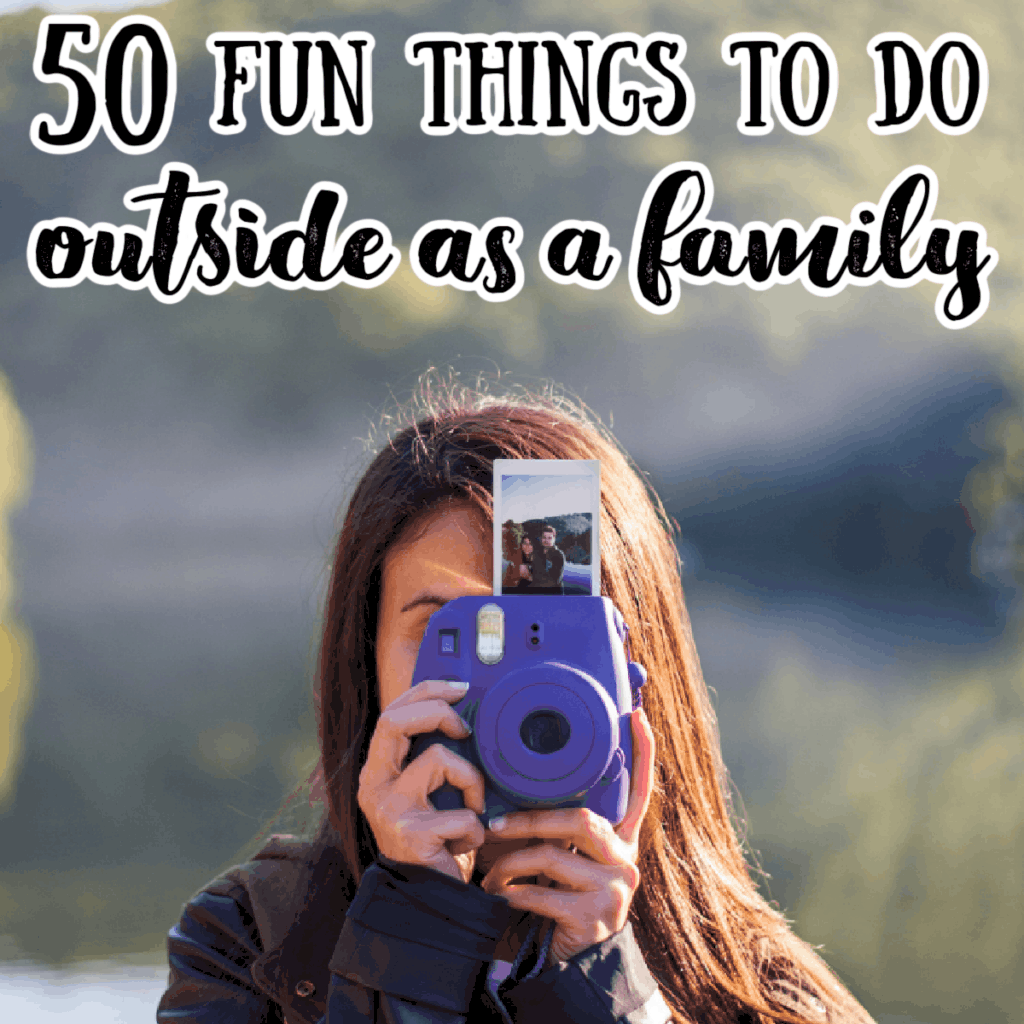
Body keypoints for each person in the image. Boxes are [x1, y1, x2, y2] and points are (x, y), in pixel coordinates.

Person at [157, 376, 876, 1024]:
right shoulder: (255, 941)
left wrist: (607, 994)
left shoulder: (767, 993)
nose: (510, 691)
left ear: (639, 670)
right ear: (364, 661)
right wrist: (412, 940)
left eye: (555, 643)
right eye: (452, 633)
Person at [529, 524, 565, 594]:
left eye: (549, 538)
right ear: (541, 538)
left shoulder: (559, 555)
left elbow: (554, 581)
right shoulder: (537, 552)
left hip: (554, 595)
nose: (546, 540)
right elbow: (533, 571)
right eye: (544, 537)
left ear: (554, 539)